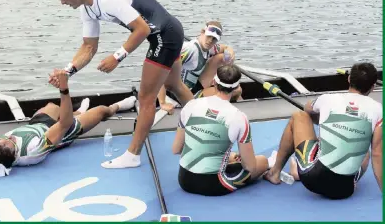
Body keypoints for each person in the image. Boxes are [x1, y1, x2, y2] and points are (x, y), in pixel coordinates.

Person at [49, 0, 194, 169]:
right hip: (167, 32)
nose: (62, 2)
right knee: (173, 84)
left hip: (165, 35)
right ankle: (207, 122)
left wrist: (117, 57)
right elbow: (89, 47)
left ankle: (133, 155)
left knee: (146, 98)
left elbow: (142, 29)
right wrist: (67, 72)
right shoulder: (87, 10)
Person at [0, 69, 137, 174]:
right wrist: (64, 89)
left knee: (51, 106)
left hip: (36, 125)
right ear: (16, 154)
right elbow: (64, 123)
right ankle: (117, 106)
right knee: (101, 112)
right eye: (10, 141)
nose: (8, 137)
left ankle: (78, 111)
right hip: (59, 132)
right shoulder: (34, 149)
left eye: (4, 139)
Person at [264, 62, 382, 199]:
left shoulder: (328, 98)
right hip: (345, 190)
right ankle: (351, 179)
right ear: (373, 87)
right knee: (365, 153)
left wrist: (327, 119)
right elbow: (377, 154)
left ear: (349, 79)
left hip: (313, 179)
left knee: (299, 116)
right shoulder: (378, 110)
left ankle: (275, 173)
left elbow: (307, 110)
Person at [172, 64, 268, 196]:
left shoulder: (191, 105)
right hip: (214, 185)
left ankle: (226, 158)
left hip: (184, 180)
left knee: (231, 156)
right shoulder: (239, 117)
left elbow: (176, 149)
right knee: (262, 161)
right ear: (236, 89)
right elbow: (250, 167)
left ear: (213, 82)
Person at [158, 21, 239, 113]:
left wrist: (230, 50)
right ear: (202, 32)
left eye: (214, 39)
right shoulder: (190, 49)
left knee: (220, 57)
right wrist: (162, 102)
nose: (210, 41)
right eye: (209, 36)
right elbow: (160, 69)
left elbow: (224, 47)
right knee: (236, 91)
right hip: (179, 94)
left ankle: (223, 89)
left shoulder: (210, 47)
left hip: (194, 87)